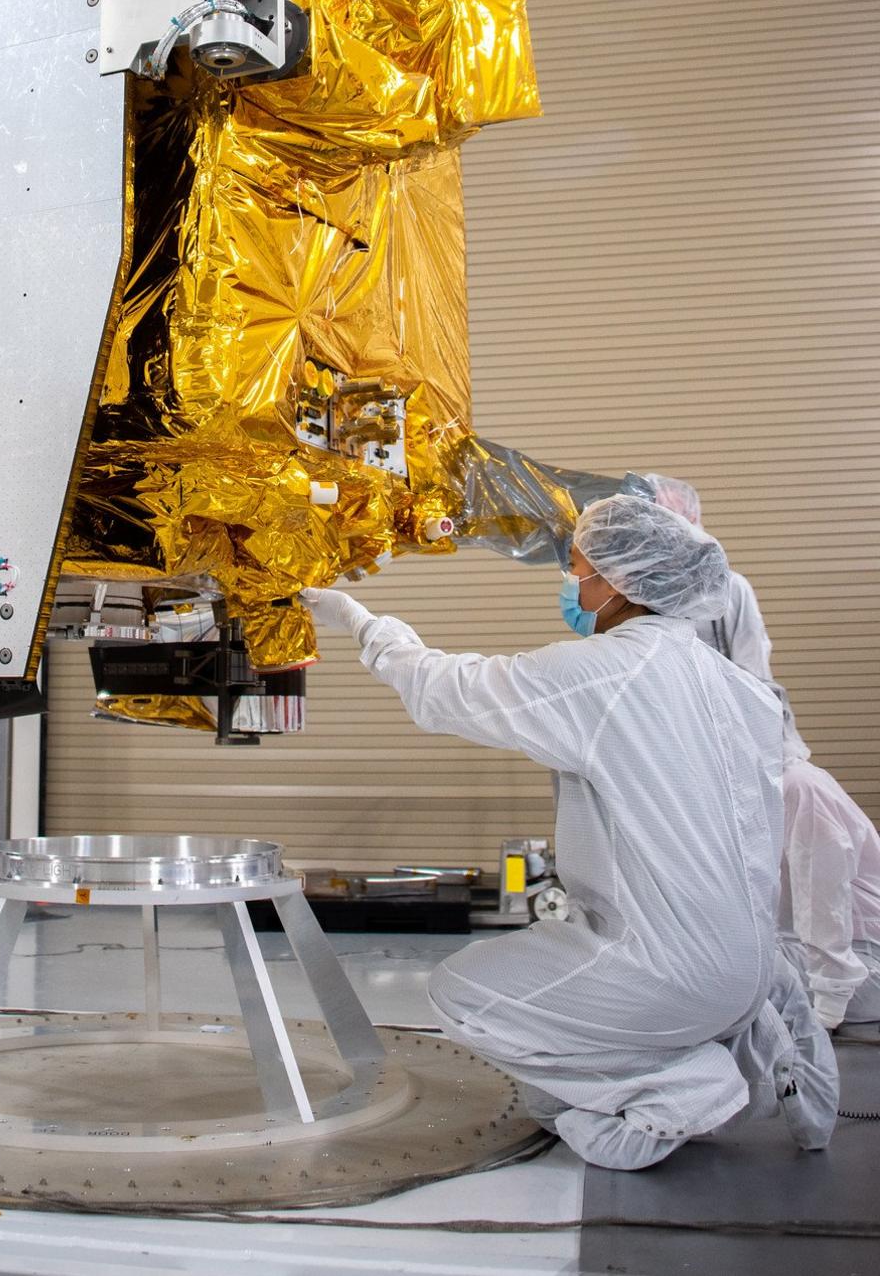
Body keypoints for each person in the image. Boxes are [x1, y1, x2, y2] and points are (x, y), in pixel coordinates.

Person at [304, 492, 838, 1170]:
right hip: (752, 971)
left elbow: (448, 689)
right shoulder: (738, 688)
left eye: (578, 566)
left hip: (671, 973)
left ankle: (678, 1086)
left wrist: (362, 621)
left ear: (617, 581)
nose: (571, 581)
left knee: (465, 995)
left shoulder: (608, 673)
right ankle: (705, 1047)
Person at [779, 717, 880, 1031]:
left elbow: (824, 895)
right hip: (826, 955)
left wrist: (827, 1012)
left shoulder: (798, 785)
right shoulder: (769, 786)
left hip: (864, 964)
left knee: (722, 973)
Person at [643, 473, 773, 679]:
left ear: (692, 519)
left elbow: (753, 670)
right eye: (650, 518)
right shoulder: (633, 592)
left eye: (667, 515)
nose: (658, 528)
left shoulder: (729, 588)